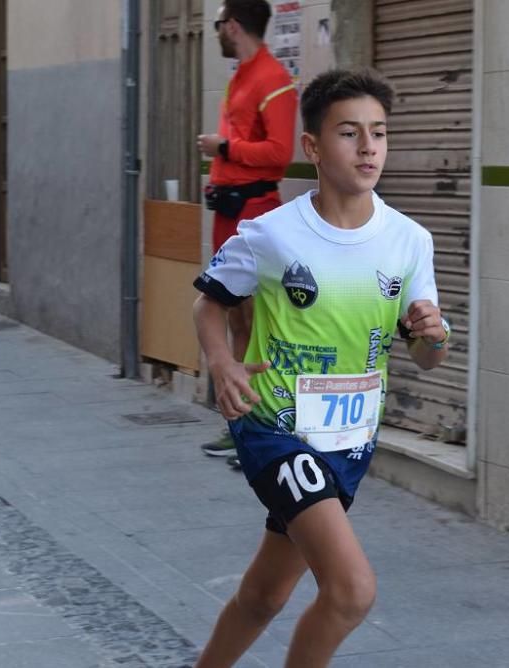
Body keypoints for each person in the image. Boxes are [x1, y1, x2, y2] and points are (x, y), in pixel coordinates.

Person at [191, 68, 450, 667]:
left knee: (264, 595)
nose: (368, 148)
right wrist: (223, 362)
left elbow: (427, 355)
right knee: (352, 590)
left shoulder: (410, 241)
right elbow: (209, 302)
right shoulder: (272, 235)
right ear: (312, 146)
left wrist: (432, 336)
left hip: (349, 440)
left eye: (379, 134)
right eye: (350, 133)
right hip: (275, 426)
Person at [197, 0, 298, 466]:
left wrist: (226, 148)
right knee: (237, 320)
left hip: (255, 212)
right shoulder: (241, 75)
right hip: (230, 212)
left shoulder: (273, 79)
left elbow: (278, 154)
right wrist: (220, 167)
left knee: (259, 324)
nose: (216, 31)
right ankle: (239, 422)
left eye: (218, 24)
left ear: (232, 25)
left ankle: (262, 428)